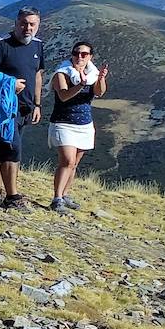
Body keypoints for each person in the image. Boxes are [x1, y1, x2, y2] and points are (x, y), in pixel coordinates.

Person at [0, 7, 44, 210]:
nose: (27, 28)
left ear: (38, 25)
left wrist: (37, 104)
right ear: (16, 23)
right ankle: (12, 197)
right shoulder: (0, 44)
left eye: (32, 24)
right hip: (2, 109)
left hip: (24, 107)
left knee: (1, 149)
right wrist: (9, 84)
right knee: (12, 149)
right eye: (23, 23)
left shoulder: (38, 46)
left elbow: (38, 74)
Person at [48, 41, 109, 214]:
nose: (79, 57)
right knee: (67, 160)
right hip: (63, 122)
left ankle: (65, 194)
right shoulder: (62, 73)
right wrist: (80, 85)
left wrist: (101, 78)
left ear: (90, 57)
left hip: (84, 124)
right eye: (76, 53)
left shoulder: (93, 74)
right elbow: (64, 95)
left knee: (74, 164)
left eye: (84, 54)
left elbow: (99, 92)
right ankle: (57, 198)